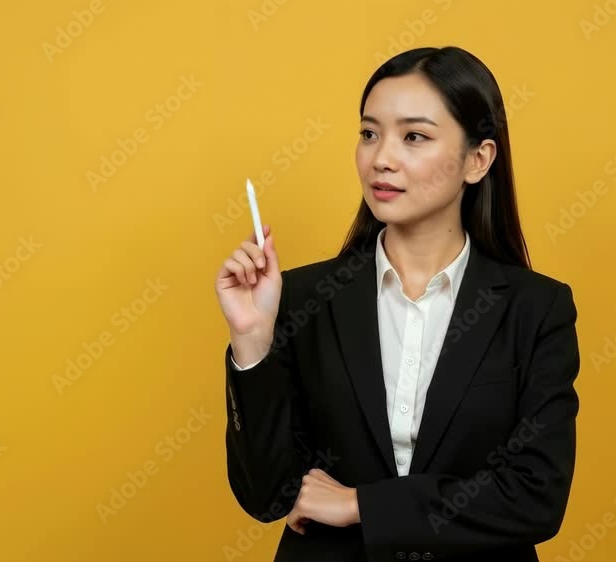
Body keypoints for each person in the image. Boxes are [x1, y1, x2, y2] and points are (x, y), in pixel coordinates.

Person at [214, 46, 579, 562]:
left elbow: (536, 497)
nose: (381, 158)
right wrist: (252, 343)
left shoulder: (535, 309)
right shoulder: (301, 298)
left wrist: (361, 505)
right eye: (369, 133)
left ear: (478, 160)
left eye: (414, 136)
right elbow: (269, 496)